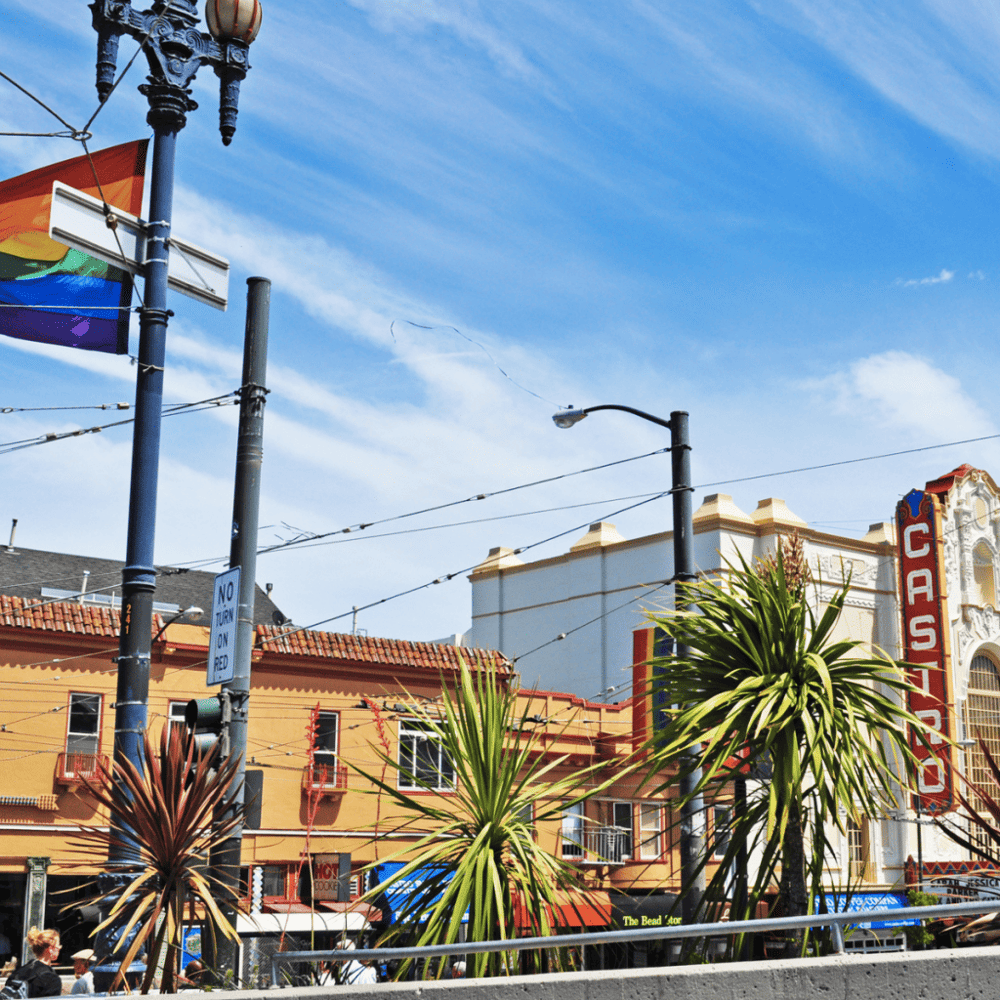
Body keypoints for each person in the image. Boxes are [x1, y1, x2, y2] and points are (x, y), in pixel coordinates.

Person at [0, 928, 61, 999]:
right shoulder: (51, 979)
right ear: (50, 949)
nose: (60, 948)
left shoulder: (19, 971)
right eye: (58, 945)